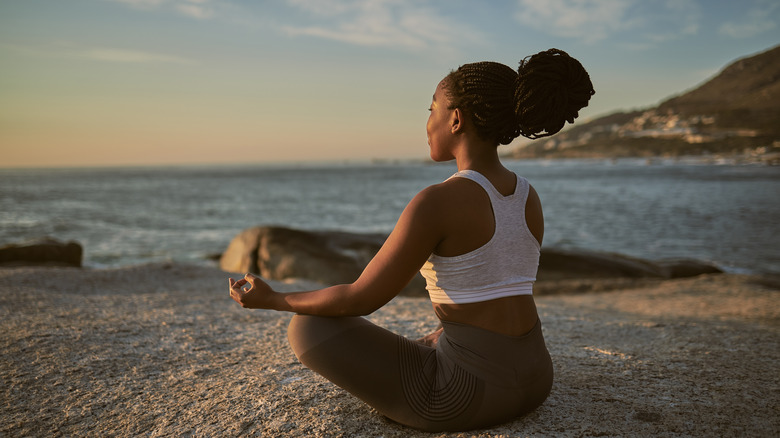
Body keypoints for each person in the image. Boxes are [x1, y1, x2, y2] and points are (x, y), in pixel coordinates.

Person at [229, 48, 594, 432]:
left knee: (307, 327)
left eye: (431, 108)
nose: (427, 121)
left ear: (456, 119)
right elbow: (497, 288)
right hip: (537, 379)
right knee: (433, 338)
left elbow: (360, 299)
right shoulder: (527, 196)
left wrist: (273, 299)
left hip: (465, 399)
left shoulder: (437, 201)